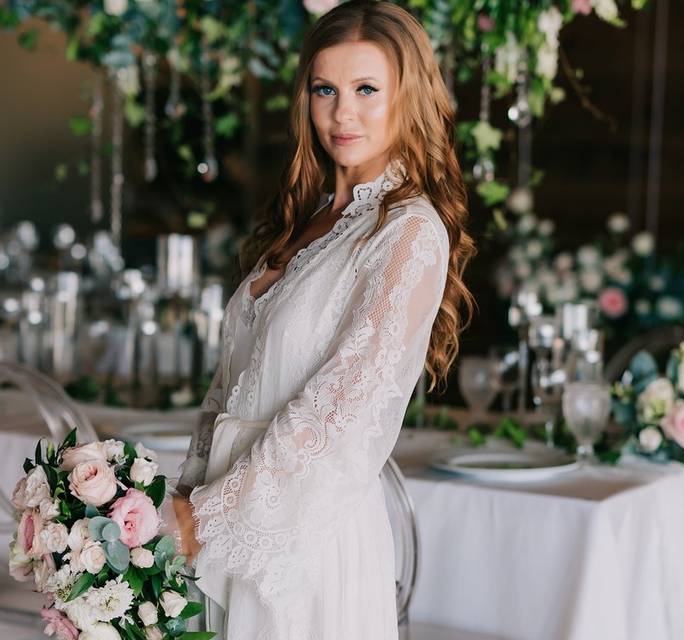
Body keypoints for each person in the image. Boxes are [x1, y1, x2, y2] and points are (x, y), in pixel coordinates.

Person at [157, 1, 476, 637]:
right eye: (325, 89)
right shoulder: (305, 222)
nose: (342, 112)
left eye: (366, 89)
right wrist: (183, 497)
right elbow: (227, 390)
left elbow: (339, 409)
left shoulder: (407, 230)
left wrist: (204, 519)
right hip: (225, 517)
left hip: (304, 538)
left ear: (406, 97)